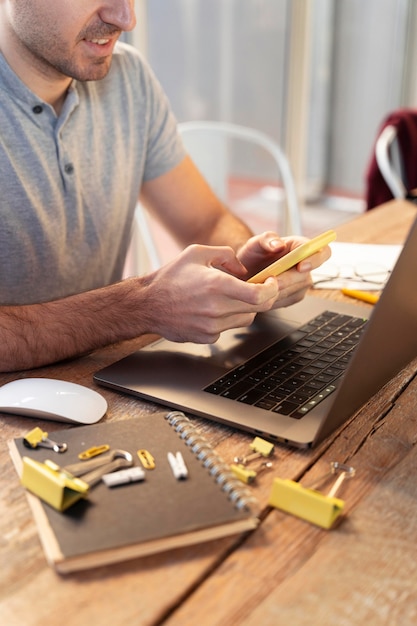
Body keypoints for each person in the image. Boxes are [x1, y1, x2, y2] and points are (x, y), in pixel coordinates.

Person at [0, 1, 331, 374]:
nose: (126, 18)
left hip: (97, 383)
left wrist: (249, 268)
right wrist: (141, 305)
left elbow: (205, 220)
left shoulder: (128, 78)